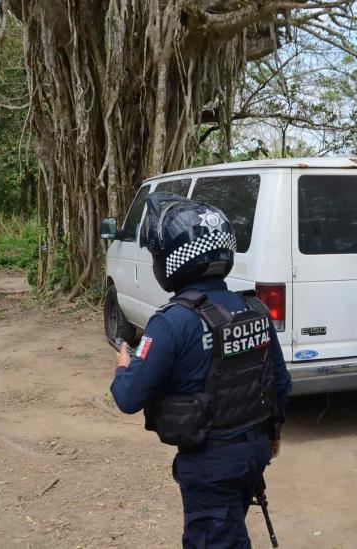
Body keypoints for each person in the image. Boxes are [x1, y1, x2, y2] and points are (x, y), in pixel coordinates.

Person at [110, 192, 291, 548]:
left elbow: (128, 397)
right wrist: (272, 436)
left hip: (212, 462)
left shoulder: (172, 321)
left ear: (171, 261)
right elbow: (280, 383)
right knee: (229, 529)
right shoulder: (253, 309)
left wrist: (123, 366)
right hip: (254, 449)